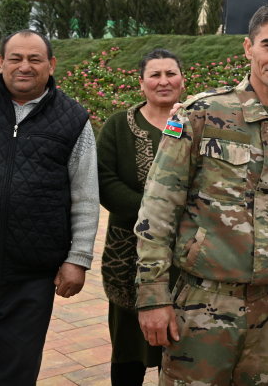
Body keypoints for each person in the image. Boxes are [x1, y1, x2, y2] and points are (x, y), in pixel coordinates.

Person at [134, 4, 268, 386]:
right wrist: (153, 295)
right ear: (248, 48)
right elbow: (158, 207)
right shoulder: (200, 114)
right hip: (202, 305)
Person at [0, 29, 100, 386]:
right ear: (0, 62)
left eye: (35, 59)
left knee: (17, 374)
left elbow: (85, 194)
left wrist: (78, 258)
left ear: (51, 65)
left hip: (31, 275)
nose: (24, 66)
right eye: (15, 58)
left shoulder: (73, 118)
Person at [98, 49, 185, 385]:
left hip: (186, 255)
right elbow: (105, 181)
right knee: (128, 347)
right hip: (129, 256)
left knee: (181, 347)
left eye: (170, 73)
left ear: (182, 80)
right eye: (155, 75)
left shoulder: (197, 122)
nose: (163, 81)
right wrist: (156, 213)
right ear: (141, 82)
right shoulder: (118, 126)